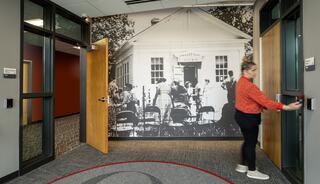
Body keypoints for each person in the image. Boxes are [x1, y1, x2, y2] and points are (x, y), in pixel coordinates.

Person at [234, 56, 302, 180]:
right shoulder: (250, 86)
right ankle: (252, 170)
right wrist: (286, 107)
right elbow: (265, 102)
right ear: (246, 71)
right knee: (251, 143)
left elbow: (251, 100)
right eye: (253, 70)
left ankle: (242, 165)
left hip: (241, 116)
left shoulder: (241, 82)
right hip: (248, 118)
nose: (256, 72)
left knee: (248, 141)